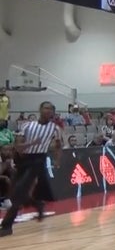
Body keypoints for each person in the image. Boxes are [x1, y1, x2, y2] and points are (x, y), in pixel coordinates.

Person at [0, 101, 61, 237]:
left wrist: (57, 160)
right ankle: (36, 204)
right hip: (23, 160)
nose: (48, 111)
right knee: (13, 193)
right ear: (40, 109)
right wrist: (32, 143)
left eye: (51, 109)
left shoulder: (55, 128)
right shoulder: (27, 125)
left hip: (38, 160)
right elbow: (18, 146)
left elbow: (58, 145)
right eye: (46, 108)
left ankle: (6, 226)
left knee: (19, 192)